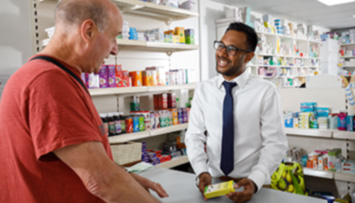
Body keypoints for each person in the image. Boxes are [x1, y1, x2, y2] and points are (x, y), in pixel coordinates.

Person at [0, 0, 168, 202]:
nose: (115, 49)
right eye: (114, 37)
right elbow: (102, 182)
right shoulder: (48, 82)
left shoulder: (49, 75)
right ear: (88, 31)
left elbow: (80, 164)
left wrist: (126, 179)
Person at [185, 22, 288, 203]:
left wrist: (255, 180)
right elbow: (194, 135)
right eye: (221, 45)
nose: (222, 53)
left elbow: (275, 143)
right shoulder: (204, 89)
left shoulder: (265, 91)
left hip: (254, 184)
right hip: (214, 182)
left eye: (231, 49)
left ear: (248, 57)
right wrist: (201, 170)